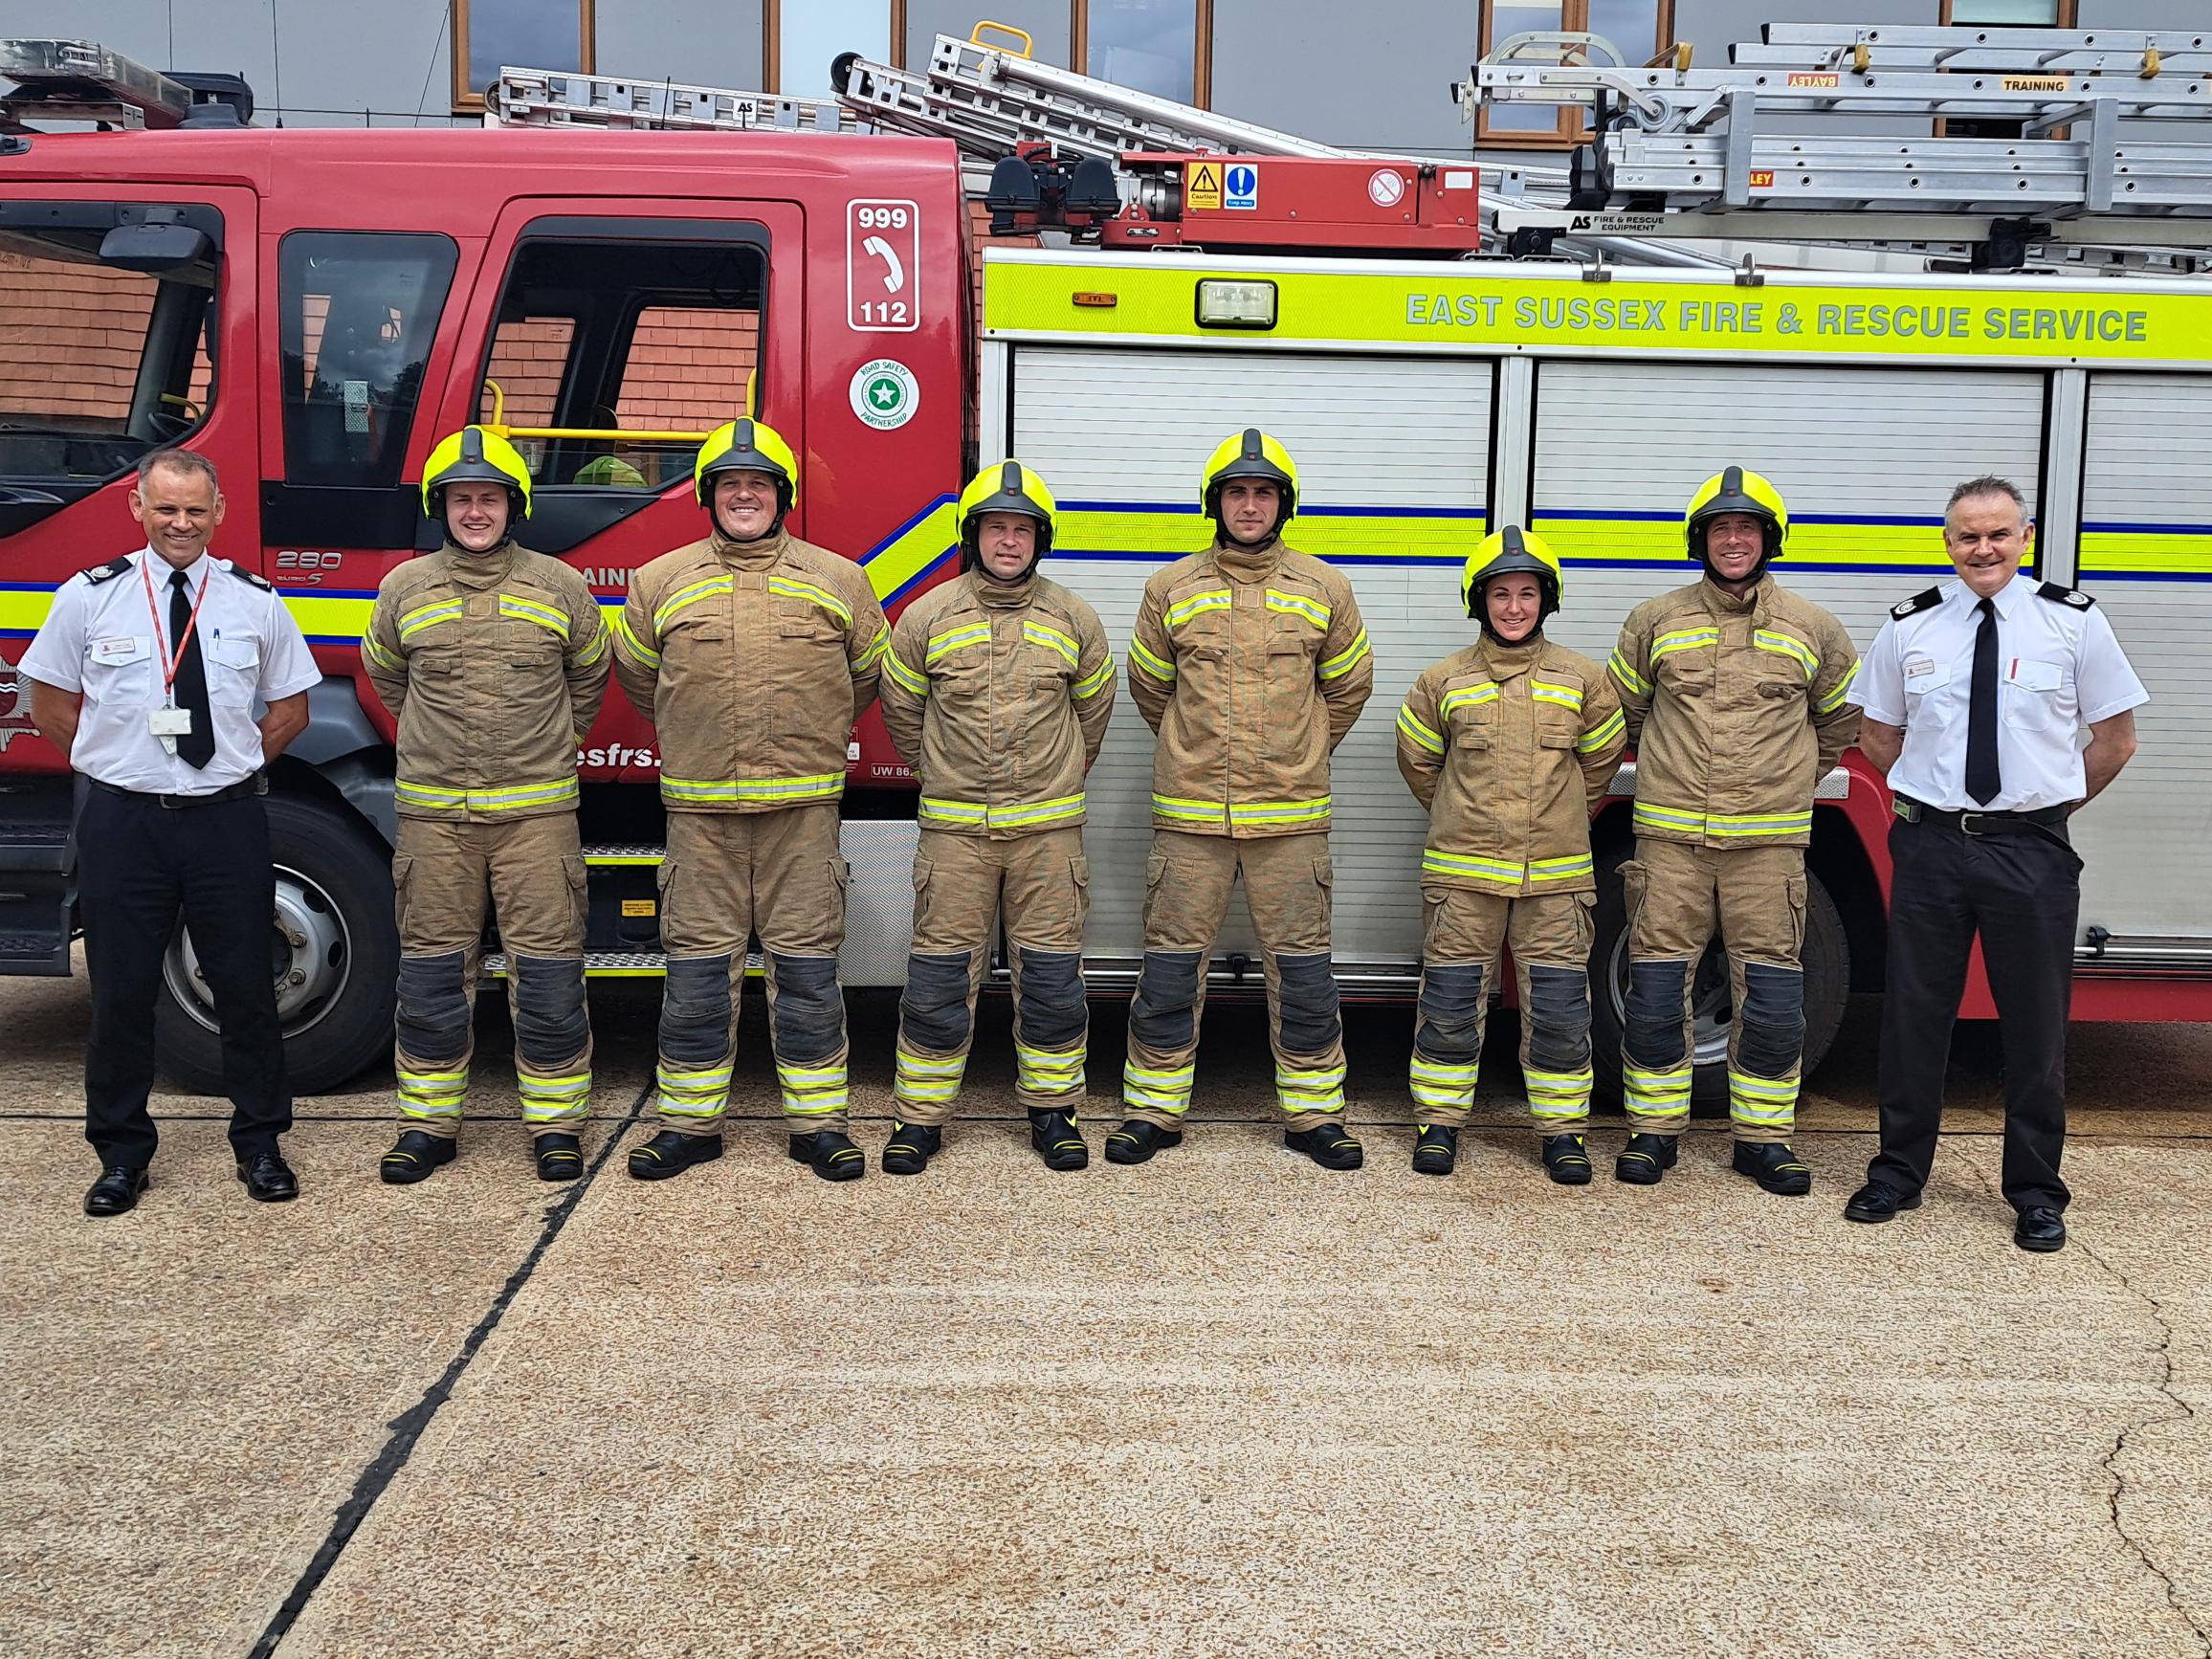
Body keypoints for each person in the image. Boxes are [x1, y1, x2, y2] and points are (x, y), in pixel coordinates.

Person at [1846, 476, 2145, 1253]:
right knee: (1915, 1017)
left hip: (2031, 849)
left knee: (2035, 1028)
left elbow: (2115, 739)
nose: (1983, 548)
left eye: (1998, 534)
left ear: (2025, 537)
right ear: (1947, 543)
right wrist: (1938, 795)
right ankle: (1897, 1173)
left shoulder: (2072, 624)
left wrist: (2045, 812)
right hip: (1934, 844)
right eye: (1967, 536)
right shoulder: (1912, 627)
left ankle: (2037, 1193)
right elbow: (1879, 734)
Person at [20, 449, 320, 1215]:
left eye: (195, 510)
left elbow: (289, 709)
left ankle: (259, 1144)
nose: (181, 523)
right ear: (138, 510)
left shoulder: (255, 601)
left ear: (219, 513)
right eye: (166, 509)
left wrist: (231, 763)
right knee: (120, 992)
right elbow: (48, 697)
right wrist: (107, 763)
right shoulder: (90, 598)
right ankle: (121, 1155)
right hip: (124, 822)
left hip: (226, 819)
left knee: (246, 989)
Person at [613, 416, 888, 1183]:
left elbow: (868, 677)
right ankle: (690, 1127)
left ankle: (818, 1126)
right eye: (730, 484)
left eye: (758, 484)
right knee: (697, 975)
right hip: (701, 820)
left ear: (782, 496)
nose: (744, 495)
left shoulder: (840, 580)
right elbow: (641, 681)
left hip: (801, 818)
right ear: (708, 495)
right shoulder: (659, 582)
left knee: (806, 974)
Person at [1113, 430, 1374, 1169]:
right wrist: (1193, 751)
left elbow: (1349, 687)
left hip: (1290, 820)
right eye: (1236, 492)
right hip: (1191, 817)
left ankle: (1315, 1115)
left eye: (1263, 493)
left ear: (1282, 505)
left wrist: (1303, 749)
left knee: (1305, 974)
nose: (1249, 505)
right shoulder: (1171, 588)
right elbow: (1151, 689)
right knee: (1169, 968)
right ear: (1215, 503)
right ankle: (1154, 1112)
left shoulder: (1326, 588)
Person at [361, 427, 610, 1185]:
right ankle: (428, 1125)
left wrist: (544, 747)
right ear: (443, 507)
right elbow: (387, 676)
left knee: (547, 974)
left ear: (515, 505)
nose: (476, 511)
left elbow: (590, 678)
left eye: (490, 497)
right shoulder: (404, 588)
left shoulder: (558, 586)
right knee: (433, 974)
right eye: (462, 498)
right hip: (437, 820)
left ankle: (557, 1125)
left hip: (537, 818)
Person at [1607, 468, 1861, 1193]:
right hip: (1670, 847)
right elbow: (1624, 717)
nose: (1734, 539)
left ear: (1769, 539)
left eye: (1747, 527)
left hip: (1767, 848)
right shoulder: (1653, 621)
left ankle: (1764, 1140)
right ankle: (1654, 1133)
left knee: (1775, 997)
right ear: (1701, 540)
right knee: (1657, 990)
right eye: (1721, 528)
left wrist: (1783, 786)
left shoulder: (1814, 629)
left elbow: (1838, 723)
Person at [875, 461, 1116, 1174]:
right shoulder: (926, 616)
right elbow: (902, 713)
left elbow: (1093, 714)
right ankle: (919, 1121)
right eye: (995, 527)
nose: (1007, 541)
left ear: (1038, 541)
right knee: (940, 979)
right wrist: (944, 777)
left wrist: (1057, 777)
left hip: (1047, 833)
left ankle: (1054, 1113)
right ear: (971, 535)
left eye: (1021, 529)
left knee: (1050, 979)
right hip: (955, 834)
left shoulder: (1074, 618)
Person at [1395, 527, 1626, 1183]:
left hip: (1554, 880)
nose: (1515, 607)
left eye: (1528, 594)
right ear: (1479, 601)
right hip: (1462, 877)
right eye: (1502, 594)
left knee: (1558, 1008)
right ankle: (1438, 1125)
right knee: (1448, 1002)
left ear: (1546, 601)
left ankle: (1561, 1134)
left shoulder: (1583, 679)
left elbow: (1600, 761)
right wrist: (1462, 816)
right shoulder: (1442, 682)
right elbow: (1420, 764)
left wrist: (1558, 820)